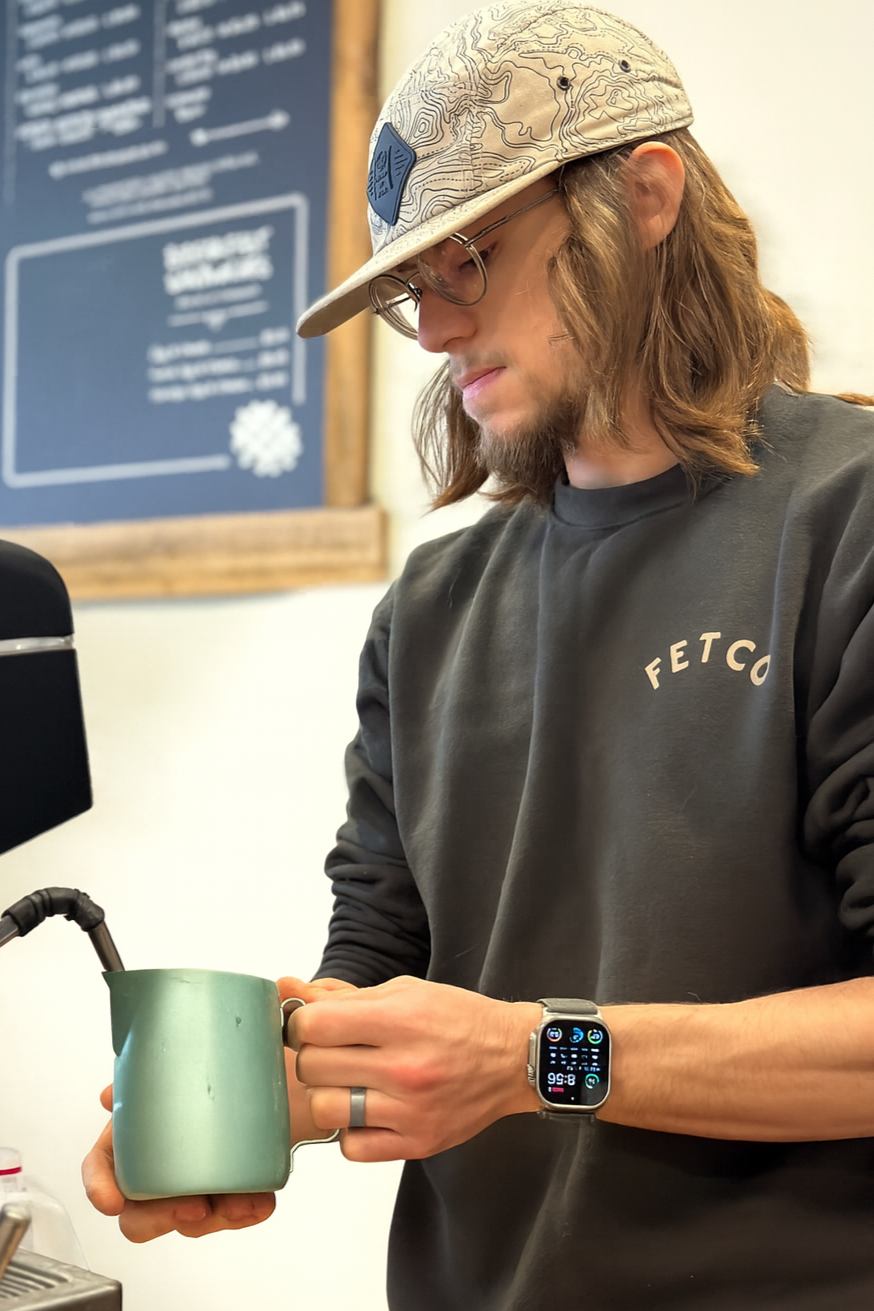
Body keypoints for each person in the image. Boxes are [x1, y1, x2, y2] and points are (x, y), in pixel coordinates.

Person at [84, 2, 874, 1306]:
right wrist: (270, 1086)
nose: (439, 333)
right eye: (413, 289)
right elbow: (382, 941)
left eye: (472, 261)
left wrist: (533, 1057)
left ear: (646, 195)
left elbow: (511, 1051)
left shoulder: (842, 524)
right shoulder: (432, 604)